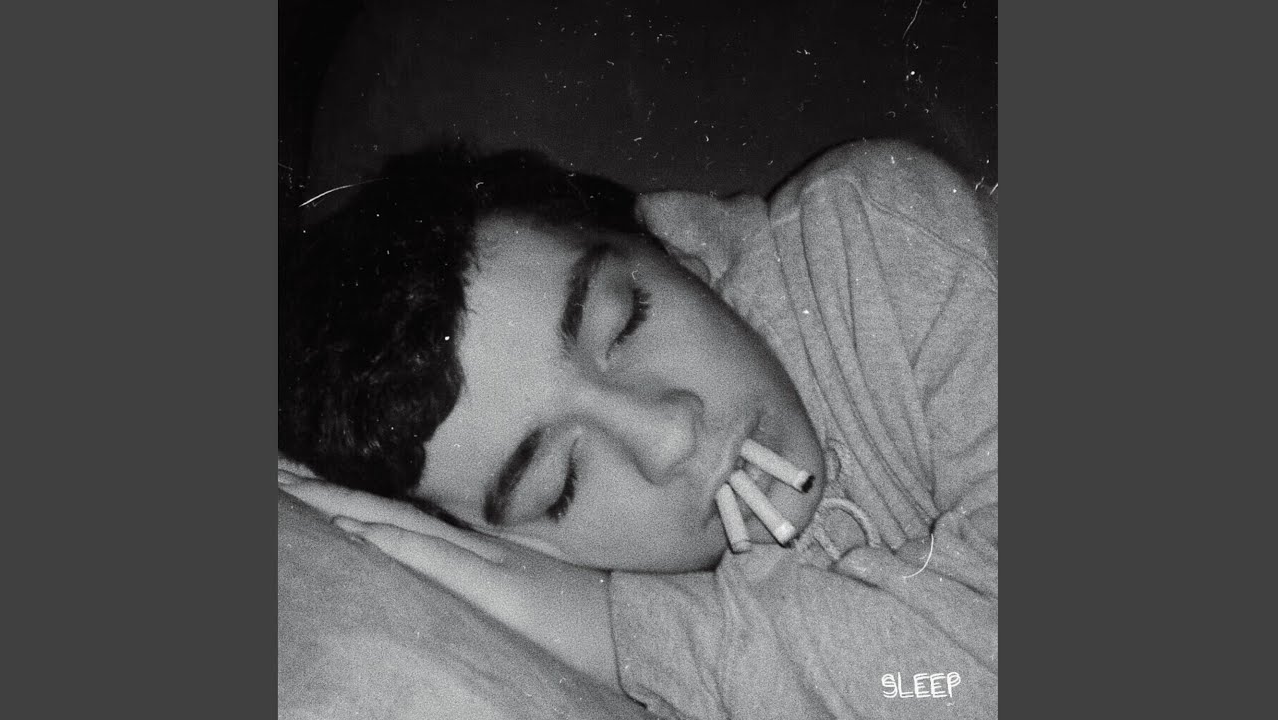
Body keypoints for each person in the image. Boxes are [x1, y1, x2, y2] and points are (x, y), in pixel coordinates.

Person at [279, 138, 998, 719]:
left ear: (676, 252)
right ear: (520, 549)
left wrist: (625, 633)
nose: (671, 437)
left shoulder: (873, 234)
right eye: (560, 483)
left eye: (626, 321)